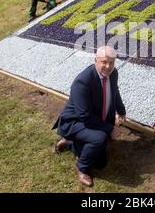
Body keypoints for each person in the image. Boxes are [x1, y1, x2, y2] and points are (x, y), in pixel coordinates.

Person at [52, 46, 126, 187]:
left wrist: (121, 111)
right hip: (74, 121)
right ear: (95, 61)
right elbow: (84, 115)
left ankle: (70, 143)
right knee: (100, 139)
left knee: (100, 162)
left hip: (93, 118)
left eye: (111, 62)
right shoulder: (82, 81)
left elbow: (115, 92)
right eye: (104, 62)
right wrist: (110, 128)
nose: (108, 66)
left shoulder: (113, 73)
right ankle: (82, 167)